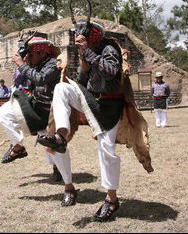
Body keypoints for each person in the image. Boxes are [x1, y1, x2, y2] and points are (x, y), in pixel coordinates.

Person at [37, 20, 126, 219]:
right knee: (61, 88)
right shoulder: (86, 53)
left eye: (83, 36)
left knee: (106, 150)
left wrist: (88, 54)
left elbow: (111, 72)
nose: (79, 39)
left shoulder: (108, 48)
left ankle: (112, 199)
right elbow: (83, 84)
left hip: (109, 106)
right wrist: (83, 67)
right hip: (92, 100)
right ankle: (60, 136)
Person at [0, 37, 70, 203]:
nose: (28, 57)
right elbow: (19, 80)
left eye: (31, 54)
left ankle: (68, 185)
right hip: (36, 106)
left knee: (55, 150)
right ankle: (18, 146)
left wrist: (22, 65)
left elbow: (41, 79)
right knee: (4, 112)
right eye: (28, 54)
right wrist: (24, 64)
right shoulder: (33, 64)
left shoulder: (53, 63)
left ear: (42, 52)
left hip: (51, 113)